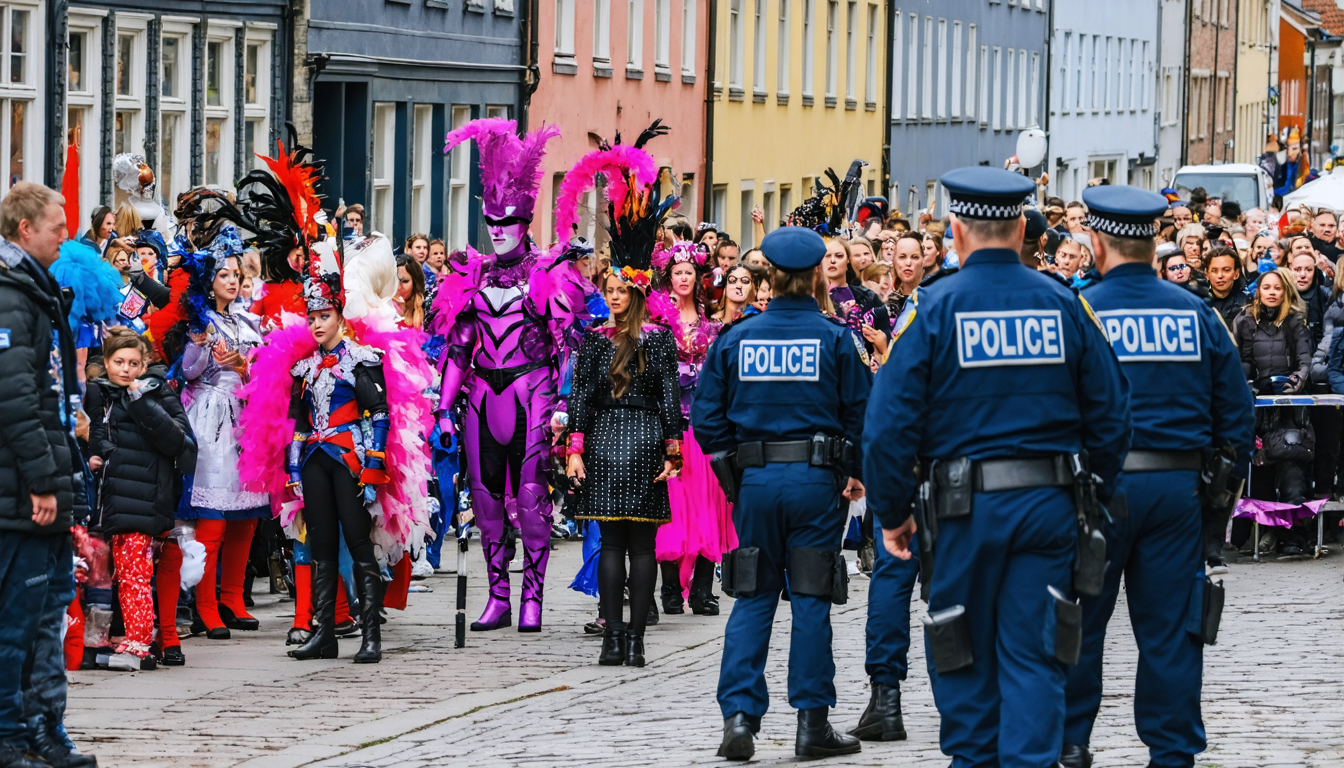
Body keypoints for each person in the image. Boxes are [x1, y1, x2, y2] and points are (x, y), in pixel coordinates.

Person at [863, 167, 1131, 768]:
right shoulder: (1065, 304)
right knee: (1038, 652)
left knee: (959, 642)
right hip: (1048, 507)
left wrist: (892, 512)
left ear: (954, 232)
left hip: (962, 512)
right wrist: (1096, 493)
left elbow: (887, 426)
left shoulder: (932, 308)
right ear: (1019, 229)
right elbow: (1113, 412)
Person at [1062, 185, 1255, 768]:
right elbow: (1238, 415)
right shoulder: (1194, 312)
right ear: (1155, 244)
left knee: (1077, 622)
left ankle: (1070, 742)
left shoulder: (1079, 310)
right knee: (1172, 629)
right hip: (1176, 490)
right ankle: (1172, 752)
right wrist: (1215, 507)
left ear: (1096, 243)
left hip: (1096, 491)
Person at [696, 226, 870, 761]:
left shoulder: (735, 339)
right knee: (812, 599)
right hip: (818, 481)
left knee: (753, 594)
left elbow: (707, 420)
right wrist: (853, 469)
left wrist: (735, 480)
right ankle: (811, 724)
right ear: (817, 275)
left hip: (756, 482)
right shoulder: (837, 338)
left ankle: (741, 719)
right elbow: (861, 412)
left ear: (768, 278)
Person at [432, 118, 579, 632]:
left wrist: (563, 403)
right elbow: (459, 346)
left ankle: (533, 598)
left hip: (532, 392)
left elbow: (568, 347)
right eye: (491, 221)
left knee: (533, 501)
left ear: (524, 222)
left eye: (507, 221)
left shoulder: (550, 274)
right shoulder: (469, 276)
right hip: (481, 399)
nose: (497, 230)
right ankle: (497, 596)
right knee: (487, 502)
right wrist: (444, 408)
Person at [0, 182, 99, 768]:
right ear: (23, 230)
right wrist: (42, 479)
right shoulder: (11, 296)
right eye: (57, 225)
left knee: (48, 612)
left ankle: (45, 728)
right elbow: (14, 397)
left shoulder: (34, 288)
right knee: (18, 619)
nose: (66, 234)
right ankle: (11, 733)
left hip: (46, 476)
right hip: (19, 489)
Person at [566, 248, 680, 668]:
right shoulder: (655, 338)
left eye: (620, 291)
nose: (613, 297)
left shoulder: (598, 341)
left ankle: (615, 639)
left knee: (616, 543)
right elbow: (669, 399)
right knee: (639, 544)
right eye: (609, 290)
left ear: (636, 293)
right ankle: (632, 641)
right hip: (643, 435)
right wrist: (673, 450)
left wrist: (575, 448)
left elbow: (579, 397)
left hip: (610, 437)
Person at [284, 249, 394, 663]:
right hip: (314, 459)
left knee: (357, 539)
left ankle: (370, 636)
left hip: (350, 457)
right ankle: (325, 632)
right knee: (321, 544)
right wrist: (293, 465)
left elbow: (380, 412)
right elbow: (298, 421)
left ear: (340, 319)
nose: (316, 324)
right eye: (311, 318)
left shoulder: (363, 360)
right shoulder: (303, 369)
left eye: (323, 317)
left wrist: (374, 461)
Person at [177, 226, 270, 640]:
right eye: (223, 275)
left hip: (246, 420)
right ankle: (205, 606)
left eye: (236, 274)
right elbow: (188, 372)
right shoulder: (201, 321)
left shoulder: (249, 320)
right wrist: (199, 347)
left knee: (245, 518)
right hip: (211, 419)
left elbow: (262, 370)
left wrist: (246, 369)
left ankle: (233, 597)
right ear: (209, 282)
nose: (232, 281)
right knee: (211, 519)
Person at [84, 328, 194, 671]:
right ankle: (104, 642)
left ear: (144, 363)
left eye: (133, 362)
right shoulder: (98, 394)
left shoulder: (157, 392)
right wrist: (96, 454)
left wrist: (139, 401)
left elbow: (179, 441)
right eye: (118, 362)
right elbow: (97, 437)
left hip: (143, 499)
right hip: (108, 499)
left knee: (135, 574)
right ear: (106, 363)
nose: (125, 369)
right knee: (102, 578)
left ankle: (139, 641)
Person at [649, 241, 733, 617]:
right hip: (670, 428)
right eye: (677, 272)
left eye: (689, 272)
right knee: (673, 512)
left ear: (698, 278)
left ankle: (702, 589)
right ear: (668, 278)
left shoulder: (713, 327)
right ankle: (669, 589)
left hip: (704, 431)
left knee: (708, 510)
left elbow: (721, 377)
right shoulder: (656, 324)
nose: (683, 278)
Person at [1235, 270, 1314, 508]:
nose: (1272, 292)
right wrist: (1248, 384)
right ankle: (1265, 531)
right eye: (1267, 287)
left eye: (1277, 288)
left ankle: (1294, 532)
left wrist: (1291, 385)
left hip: (1289, 404)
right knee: (1259, 465)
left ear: (1286, 291)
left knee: (1290, 457)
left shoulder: (1296, 320)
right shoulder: (1244, 320)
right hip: (1257, 403)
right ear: (1258, 291)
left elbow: (1304, 361)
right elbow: (1242, 360)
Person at [1205, 246, 1249, 328]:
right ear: (1206, 274)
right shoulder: (1199, 303)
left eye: (1226, 270)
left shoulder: (1247, 304)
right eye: (1214, 271)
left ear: (1236, 274)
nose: (1220, 275)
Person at [394, 254, 426, 329]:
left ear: (416, 283)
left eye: (404, 281)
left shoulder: (427, 309)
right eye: (394, 281)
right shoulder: (380, 309)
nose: (398, 287)